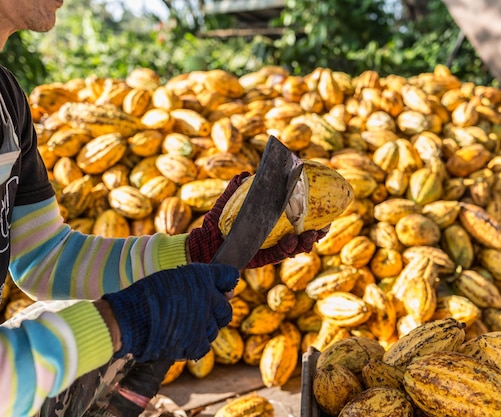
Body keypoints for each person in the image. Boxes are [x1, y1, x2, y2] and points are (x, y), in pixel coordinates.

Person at [0, 1, 326, 416]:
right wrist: (120, 322)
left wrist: (193, 252)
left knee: (87, 338)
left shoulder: (6, 102)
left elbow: (43, 259)